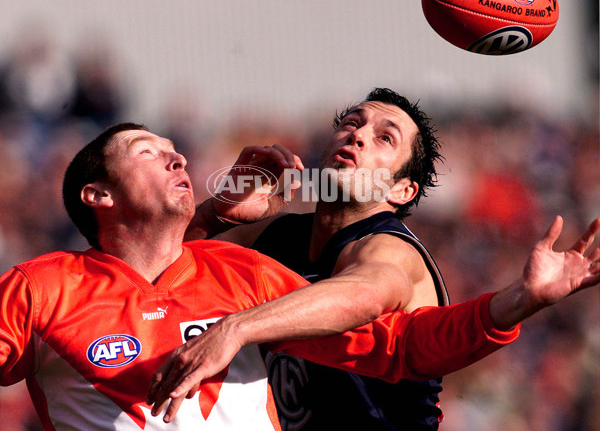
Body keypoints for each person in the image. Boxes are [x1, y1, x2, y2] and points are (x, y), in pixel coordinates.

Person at [0, 122, 549, 430]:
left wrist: (518, 300)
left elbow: (399, 344)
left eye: (176, 151)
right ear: (98, 195)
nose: (178, 160)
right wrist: (213, 215)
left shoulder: (248, 275)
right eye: (149, 153)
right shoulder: (41, 287)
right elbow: (142, 280)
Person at [146, 88, 600, 430]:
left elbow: (362, 296)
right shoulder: (282, 237)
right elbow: (155, 272)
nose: (358, 134)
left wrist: (236, 328)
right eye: (351, 122)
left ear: (402, 190)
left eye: (385, 138)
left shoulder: (390, 249)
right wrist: (215, 214)